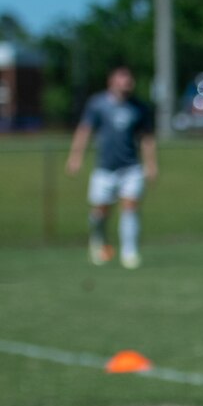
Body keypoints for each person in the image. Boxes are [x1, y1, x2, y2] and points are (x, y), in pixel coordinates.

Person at [66, 64, 156, 269]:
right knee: (100, 212)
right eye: (122, 79)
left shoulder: (139, 108)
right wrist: (75, 157)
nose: (126, 83)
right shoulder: (98, 104)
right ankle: (98, 242)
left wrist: (151, 164)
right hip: (105, 168)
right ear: (112, 81)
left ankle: (129, 252)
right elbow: (84, 130)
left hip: (131, 168)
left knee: (130, 207)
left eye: (129, 79)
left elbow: (147, 138)